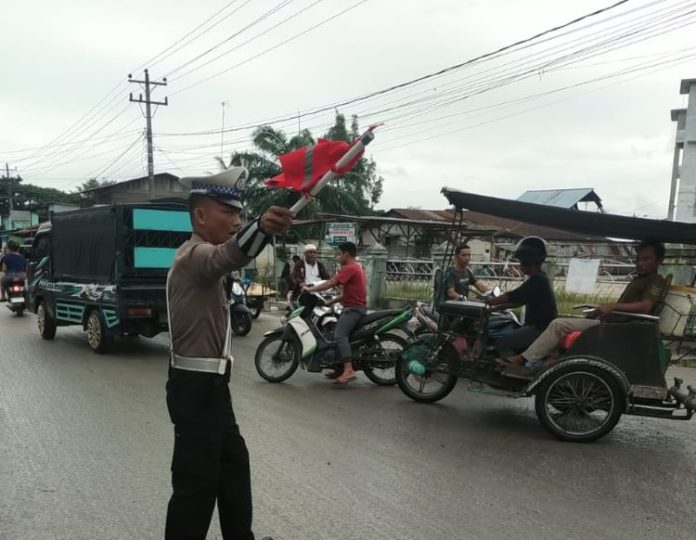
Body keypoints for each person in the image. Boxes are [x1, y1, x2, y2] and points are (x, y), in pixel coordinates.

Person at [165, 167, 293, 540]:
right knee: (197, 485)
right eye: (228, 213)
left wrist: (264, 230)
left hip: (213, 385)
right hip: (193, 385)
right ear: (201, 215)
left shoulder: (205, 258)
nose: (237, 221)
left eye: (240, 214)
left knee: (234, 467)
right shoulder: (194, 256)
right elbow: (226, 257)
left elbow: (230, 257)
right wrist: (262, 229)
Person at [500, 239, 668, 369]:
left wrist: (612, 306)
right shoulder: (641, 279)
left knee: (559, 324)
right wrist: (600, 310)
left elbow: (646, 306)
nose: (640, 263)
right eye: (638, 259)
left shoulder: (656, 281)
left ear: (659, 260)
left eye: (646, 259)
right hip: (612, 322)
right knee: (563, 323)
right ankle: (551, 359)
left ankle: (522, 359)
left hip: (617, 328)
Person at [302, 242, 366, 385]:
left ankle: (348, 370)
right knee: (335, 332)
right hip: (353, 307)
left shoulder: (349, 268)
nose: (338, 257)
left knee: (339, 335)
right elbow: (348, 293)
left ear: (346, 254)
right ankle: (340, 368)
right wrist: (330, 303)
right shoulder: (357, 267)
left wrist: (310, 289)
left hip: (353, 309)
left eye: (339, 254)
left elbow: (331, 282)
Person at [486, 237, 557, 357]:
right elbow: (520, 301)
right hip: (540, 326)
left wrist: (487, 302)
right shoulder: (541, 278)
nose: (520, 266)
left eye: (521, 262)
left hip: (538, 328)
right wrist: (496, 308)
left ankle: (508, 368)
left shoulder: (537, 280)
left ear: (529, 262)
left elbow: (513, 296)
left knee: (502, 342)